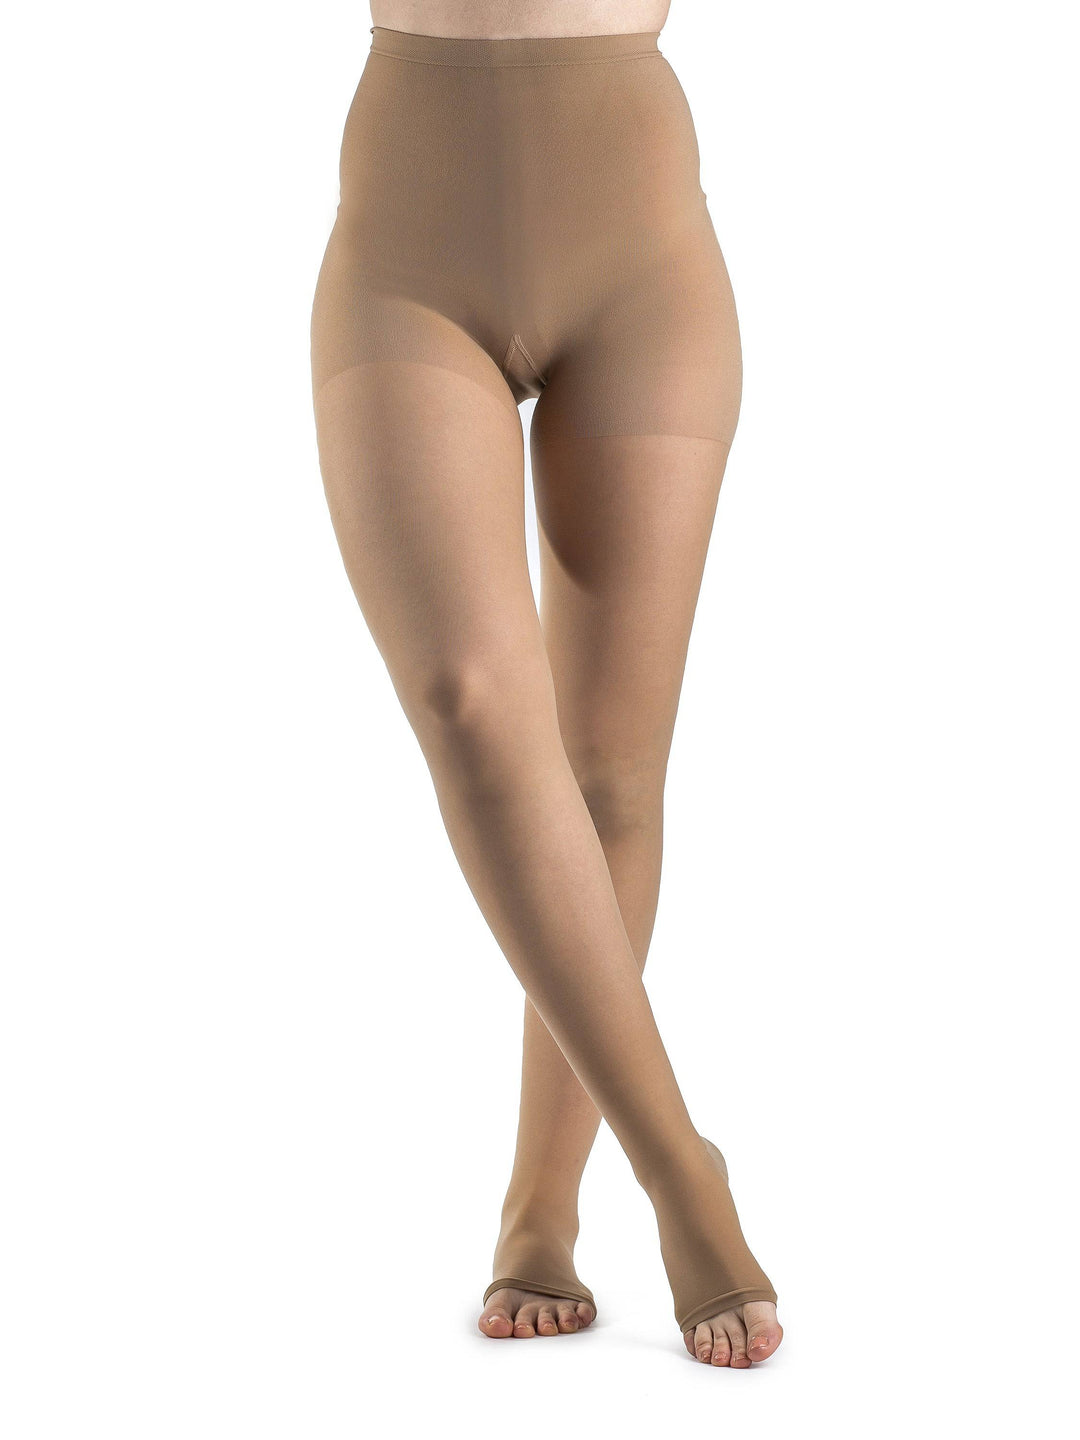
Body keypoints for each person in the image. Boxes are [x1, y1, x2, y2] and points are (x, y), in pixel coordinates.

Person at [310, 0, 783, 1368]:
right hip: (406, 235)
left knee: (611, 774)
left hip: (639, 236)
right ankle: (682, 1170)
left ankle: (541, 1204)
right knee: (468, 701)